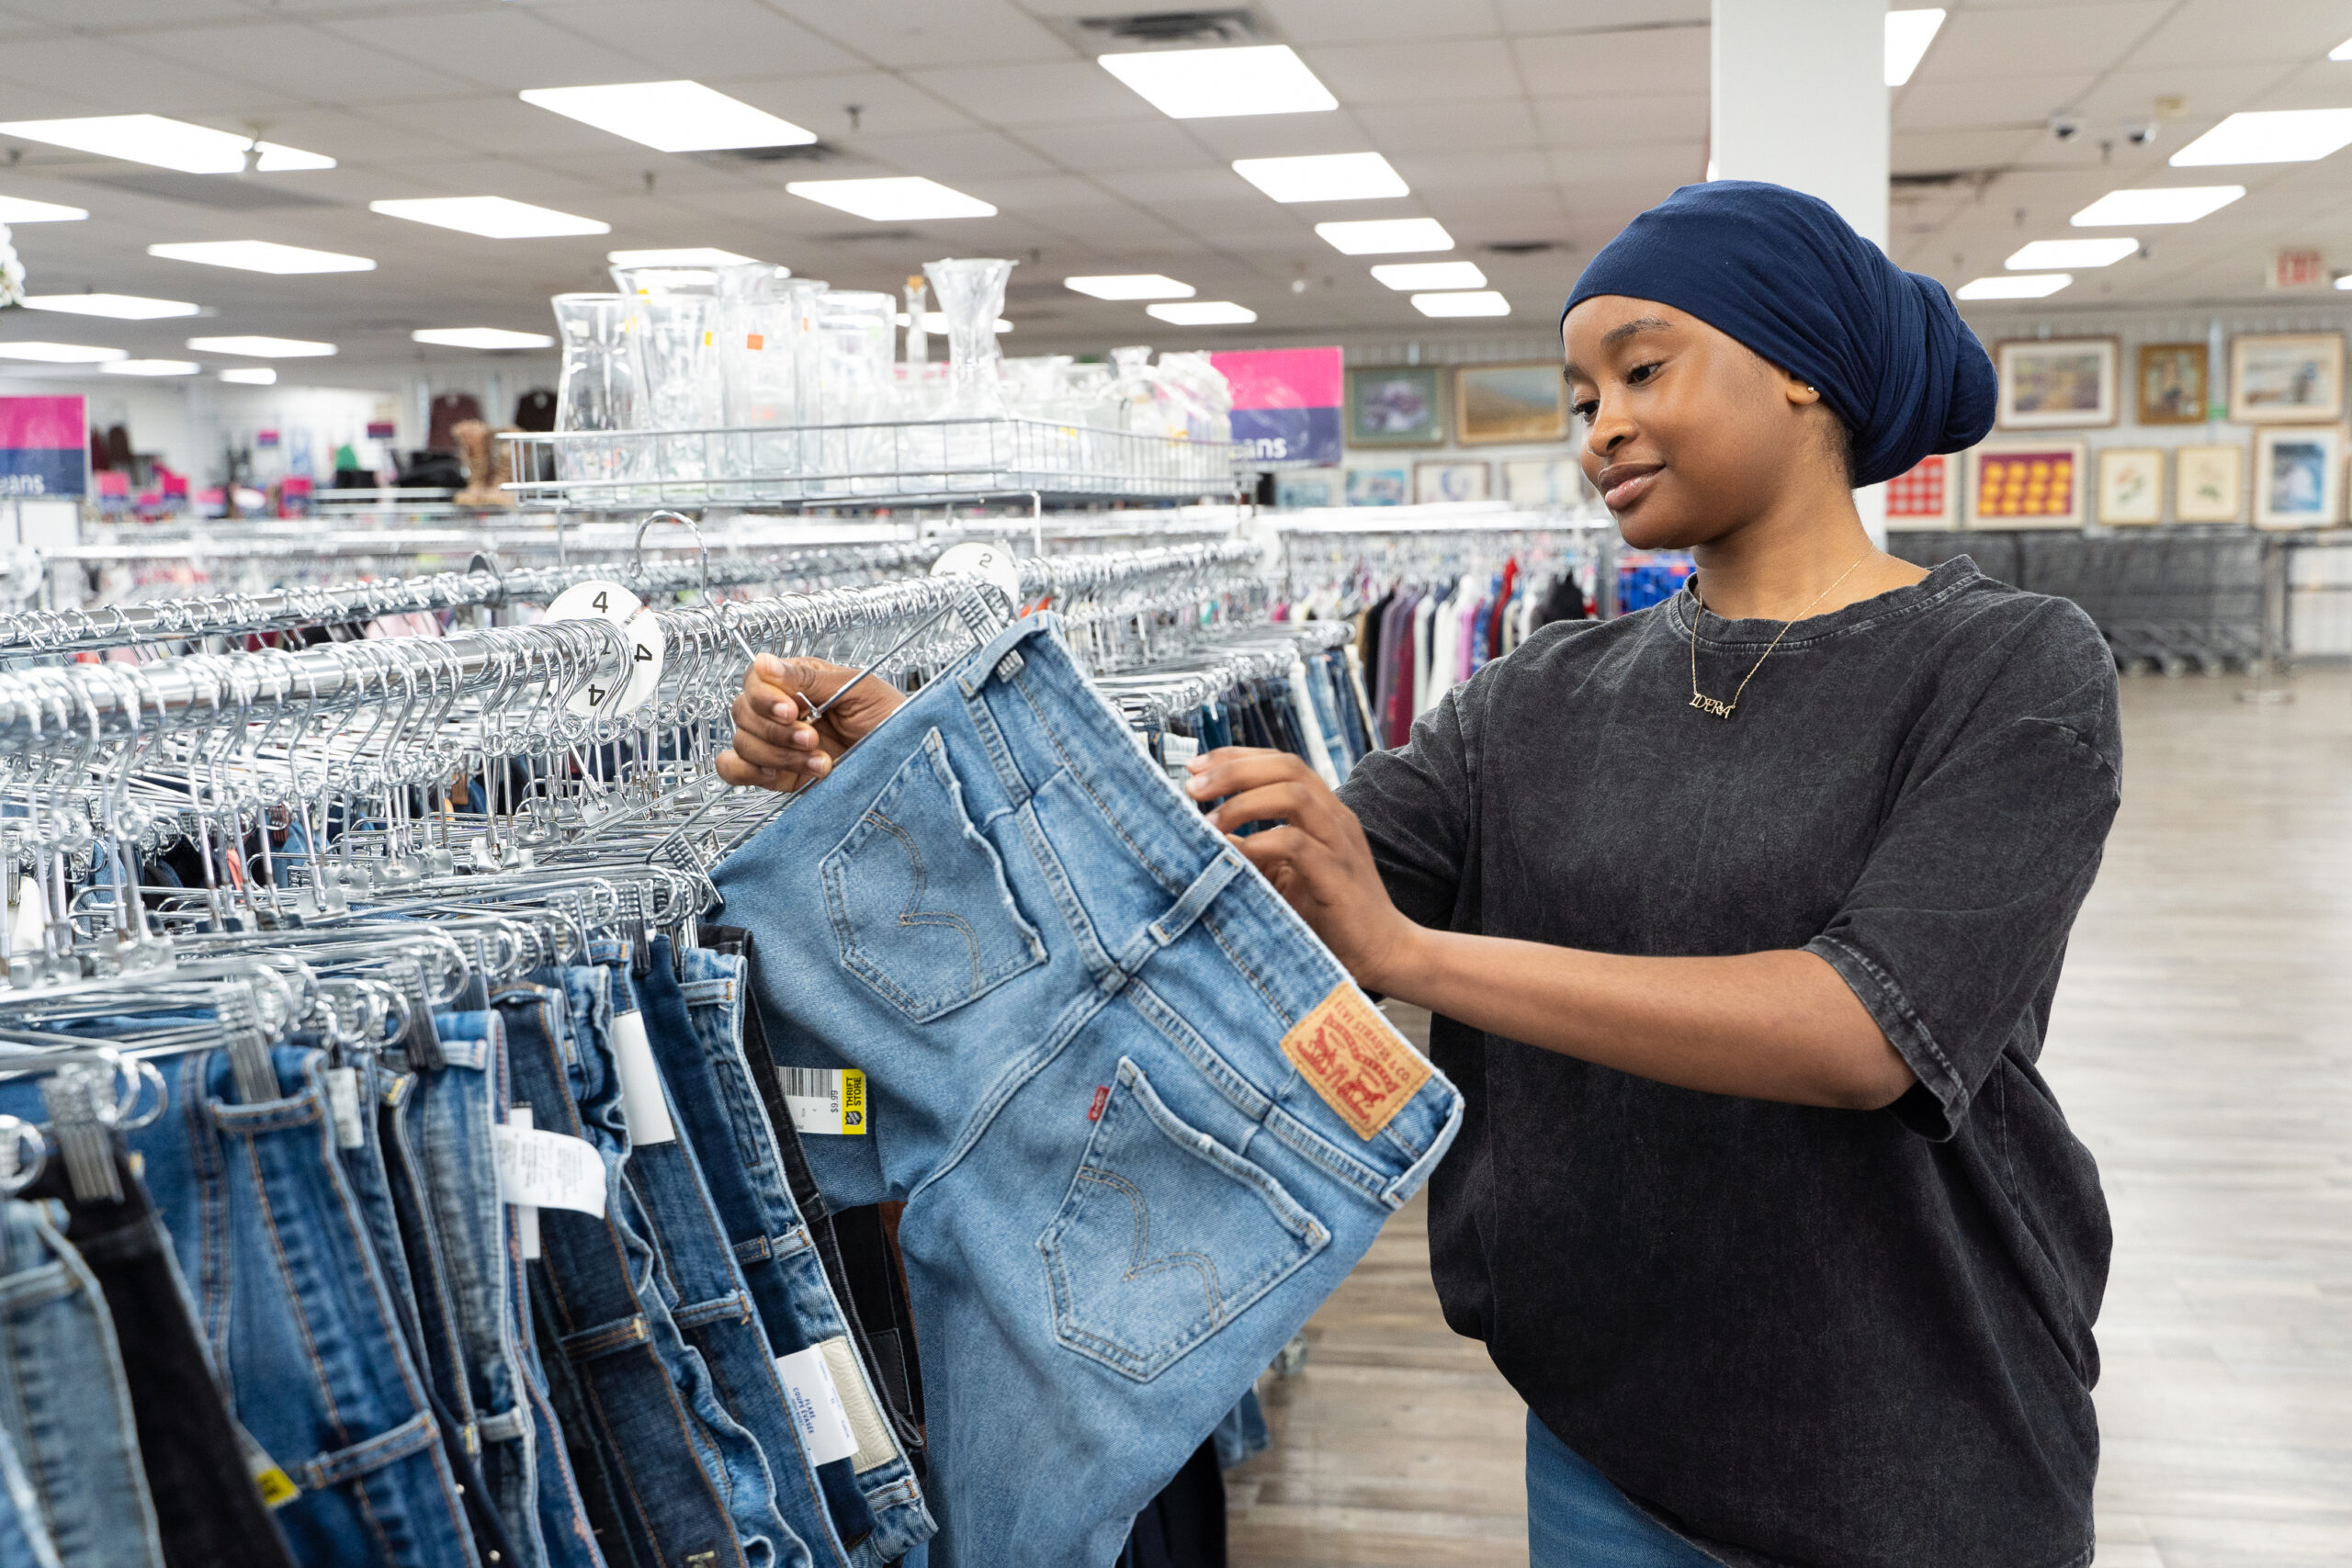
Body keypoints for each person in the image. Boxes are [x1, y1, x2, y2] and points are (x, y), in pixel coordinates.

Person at [716, 180, 2120, 1568]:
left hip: (1914, 1442)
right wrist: (912, 768)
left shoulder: (2007, 666)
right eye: (1581, 400)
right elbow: (1205, 898)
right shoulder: (1541, 697)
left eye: (1643, 368)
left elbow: (1865, 1030)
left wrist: (1414, 958)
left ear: (1806, 370)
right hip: (1607, 1432)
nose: (1603, 428)